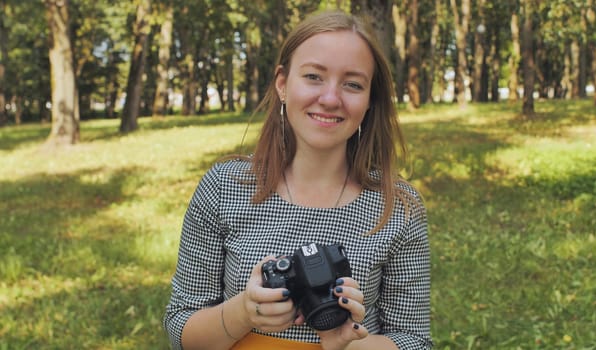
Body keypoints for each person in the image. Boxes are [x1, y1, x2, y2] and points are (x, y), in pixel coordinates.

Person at [163, 9, 432, 350]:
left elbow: (414, 341)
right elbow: (180, 329)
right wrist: (244, 312)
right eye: (314, 77)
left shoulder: (398, 207)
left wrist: (346, 345)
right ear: (282, 84)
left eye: (352, 84)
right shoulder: (224, 187)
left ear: (369, 101)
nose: (331, 98)